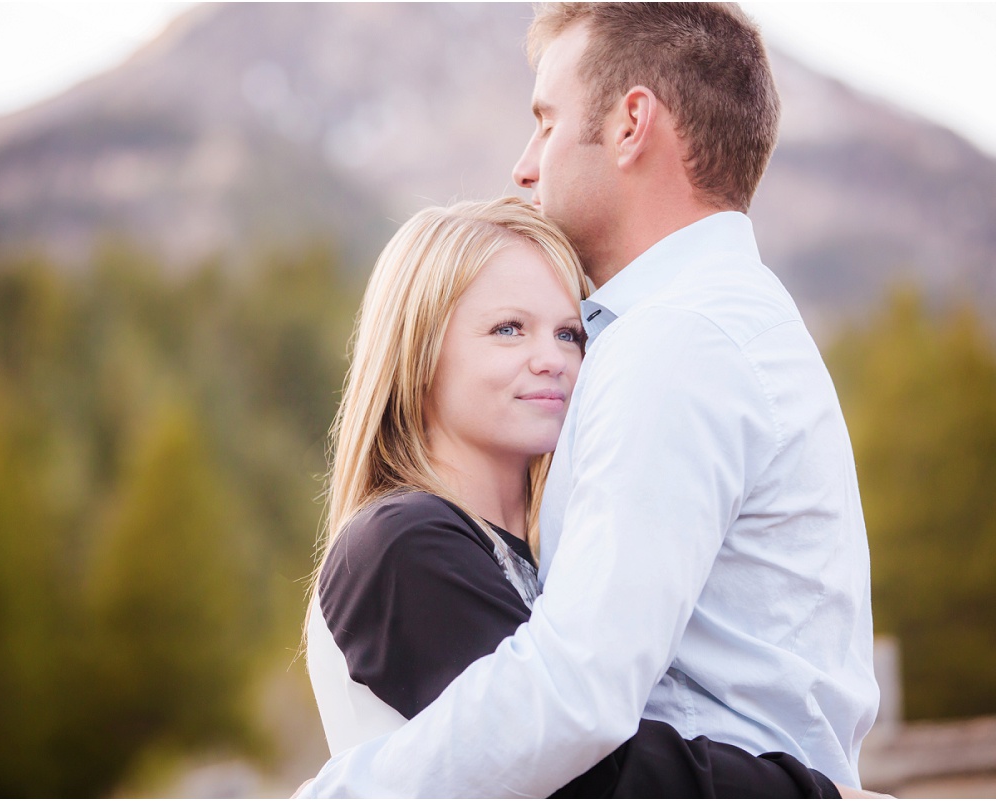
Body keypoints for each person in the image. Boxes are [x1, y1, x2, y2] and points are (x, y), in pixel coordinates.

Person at [300, 3, 880, 797]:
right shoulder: (725, 320)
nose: (524, 165)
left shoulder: (676, 338)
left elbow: (578, 695)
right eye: (508, 328)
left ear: (631, 123)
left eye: (546, 122)